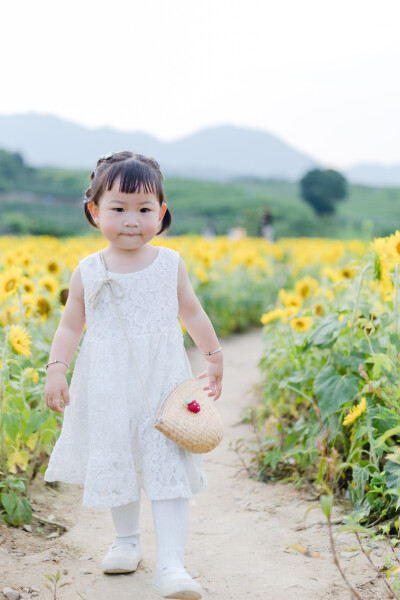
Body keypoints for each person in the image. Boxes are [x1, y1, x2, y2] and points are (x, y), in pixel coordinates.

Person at [43, 151, 223, 599]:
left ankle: (172, 565)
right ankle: (126, 541)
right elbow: (70, 325)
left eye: (144, 209)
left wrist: (214, 356)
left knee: (167, 467)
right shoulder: (88, 271)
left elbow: (192, 313)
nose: (131, 220)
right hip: (107, 386)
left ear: (161, 214)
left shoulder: (169, 264)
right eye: (118, 208)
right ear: (94, 211)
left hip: (163, 385)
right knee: (117, 458)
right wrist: (56, 369)